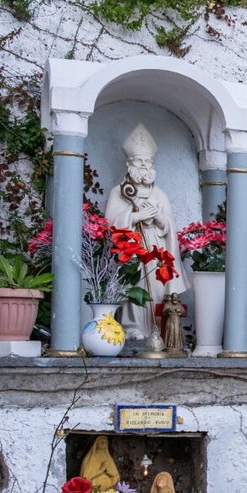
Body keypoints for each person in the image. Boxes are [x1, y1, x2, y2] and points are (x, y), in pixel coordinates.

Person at [104, 124, 187, 339]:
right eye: (139, 162)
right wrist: (134, 217)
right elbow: (110, 223)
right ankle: (133, 327)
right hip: (131, 248)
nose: (143, 166)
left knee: (158, 287)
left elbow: (169, 225)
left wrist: (159, 218)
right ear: (129, 164)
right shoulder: (119, 192)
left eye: (147, 162)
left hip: (156, 248)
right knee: (135, 283)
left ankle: (157, 328)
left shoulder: (159, 194)